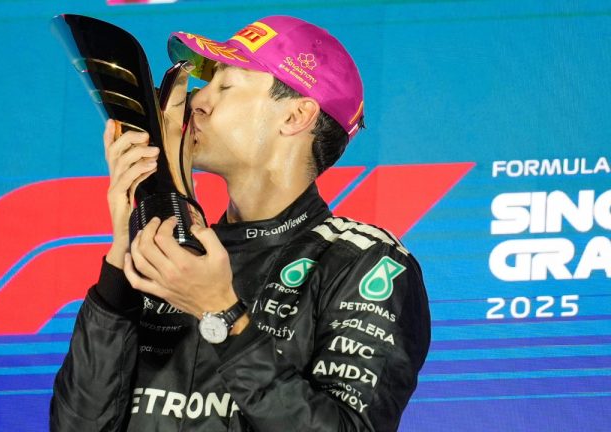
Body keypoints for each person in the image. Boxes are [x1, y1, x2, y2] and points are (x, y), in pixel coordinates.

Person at [50, 15, 430, 432]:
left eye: (224, 85)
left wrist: (221, 314)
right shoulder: (171, 256)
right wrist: (125, 259)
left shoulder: (364, 262)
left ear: (296, 116)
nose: (197, 101)